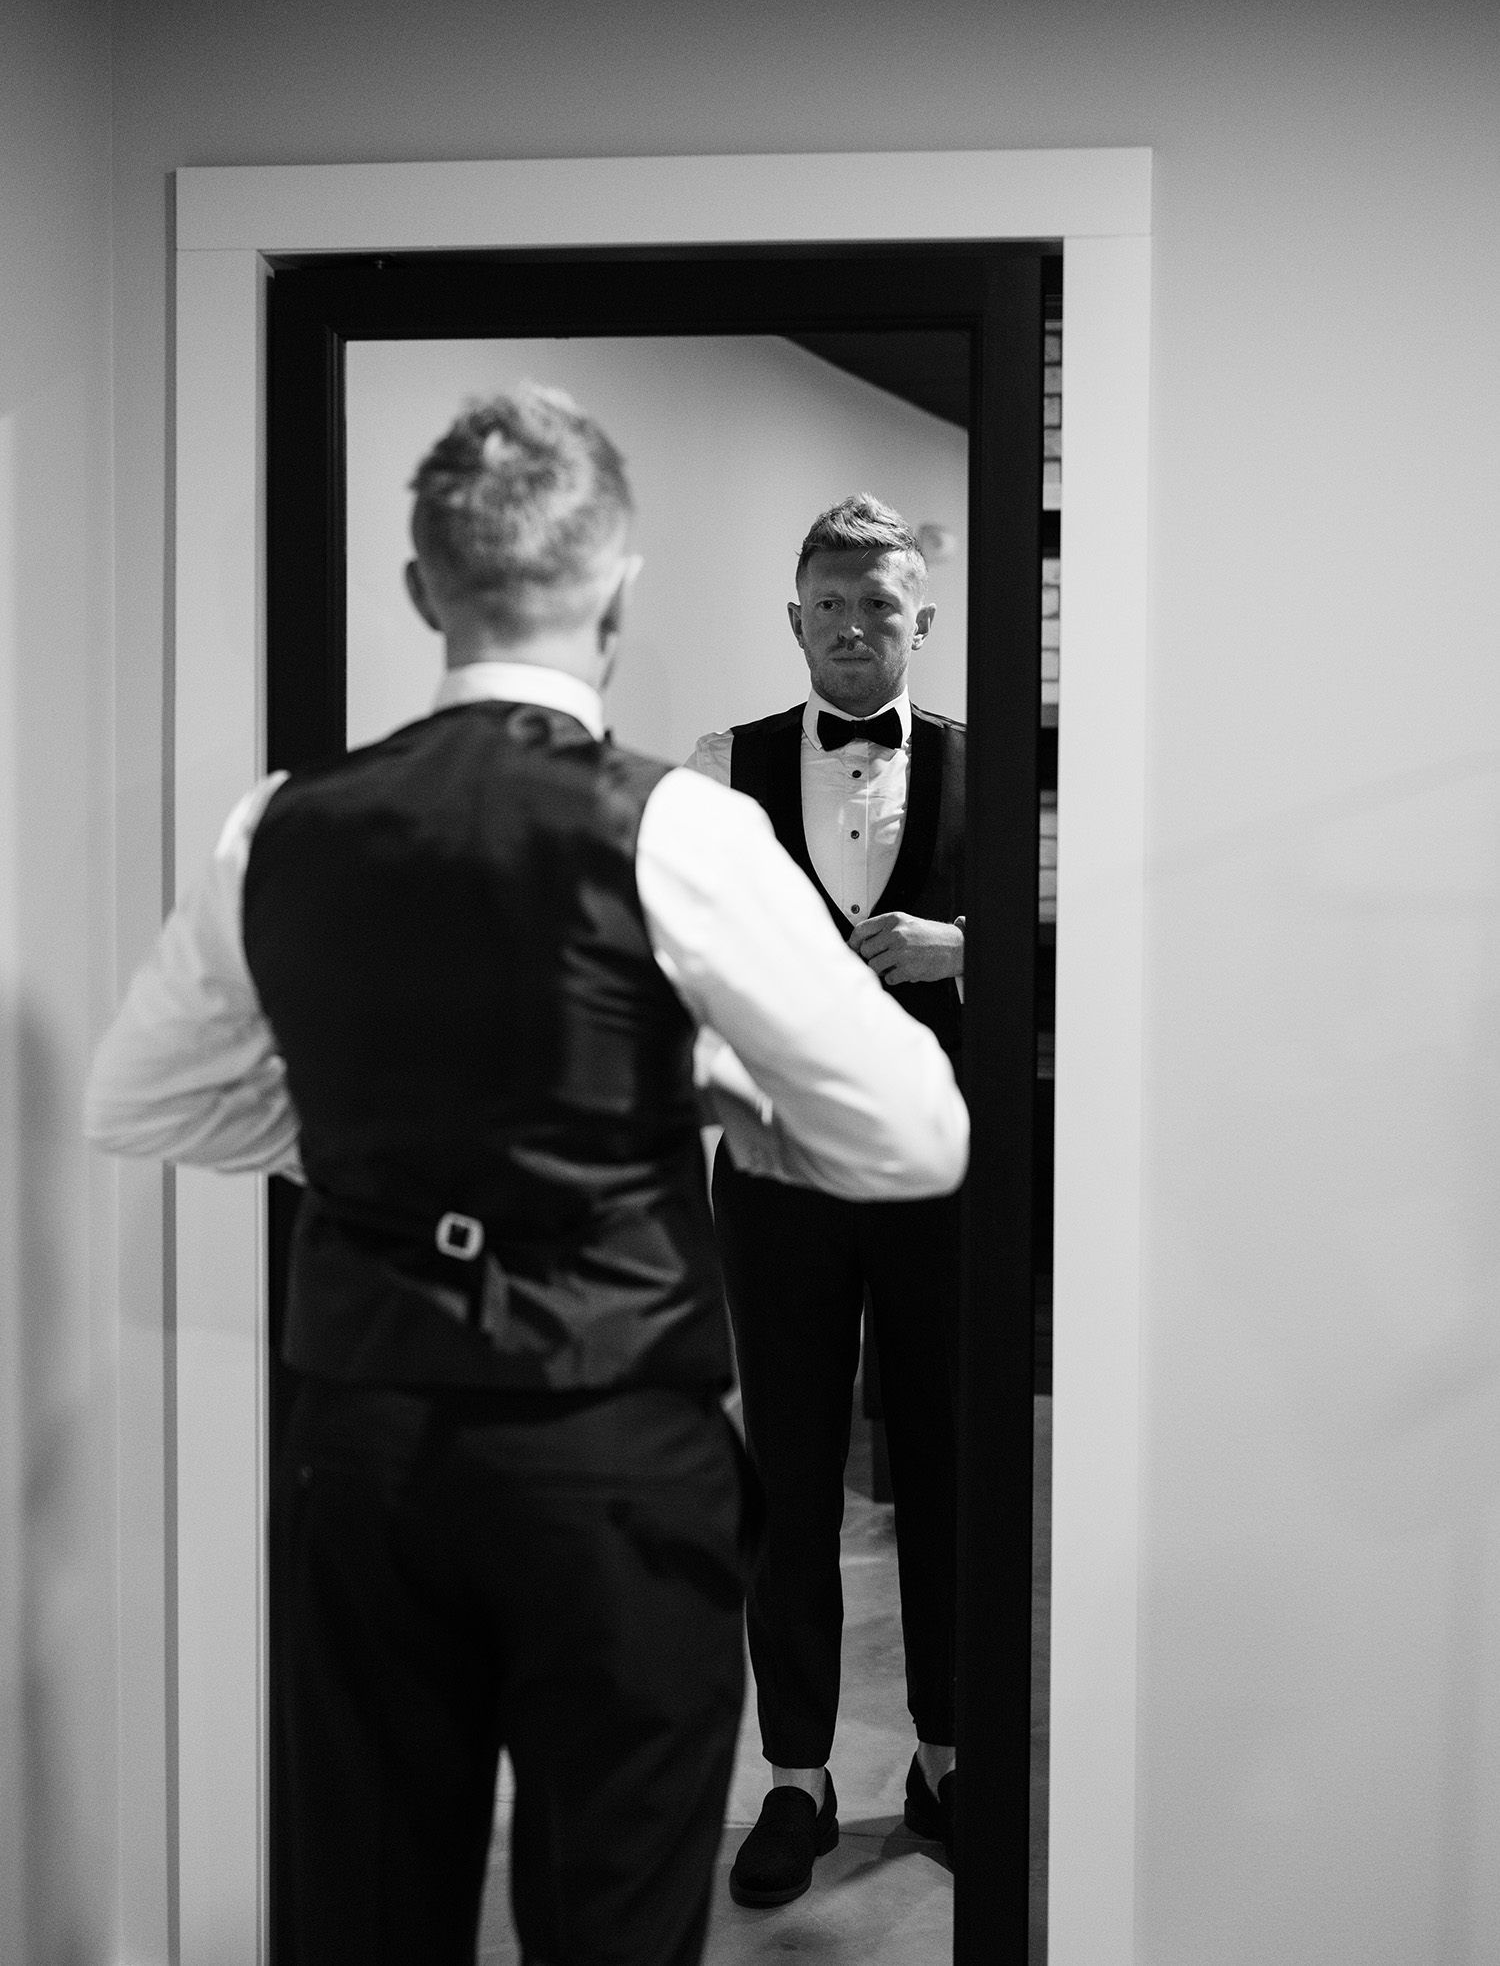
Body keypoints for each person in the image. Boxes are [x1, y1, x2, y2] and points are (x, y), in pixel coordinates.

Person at [85, 396, 967, 1966]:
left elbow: (139, 1095)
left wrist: (371, 1159)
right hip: (612, 1447)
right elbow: (916, 1135)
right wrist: (720, 1106)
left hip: (362, 1445)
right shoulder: (686, 821)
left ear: (426, 592)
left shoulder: (278, 821)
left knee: (367, 1909)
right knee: (609, 1910)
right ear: (618, 589)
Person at [688, 492, 966, 1904]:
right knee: (788, 1481)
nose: (857, 627)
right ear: (795, 618)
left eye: (883, 604)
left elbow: (1088, 946)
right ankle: (794, 1777)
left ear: (925, 618)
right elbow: (668, 970)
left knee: (951, 1471)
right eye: (832, 605)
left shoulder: (1003, 766)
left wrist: (966, 942)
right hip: (781, 1180)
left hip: (940, 1177)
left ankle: (947, 1757)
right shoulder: (713, 770)